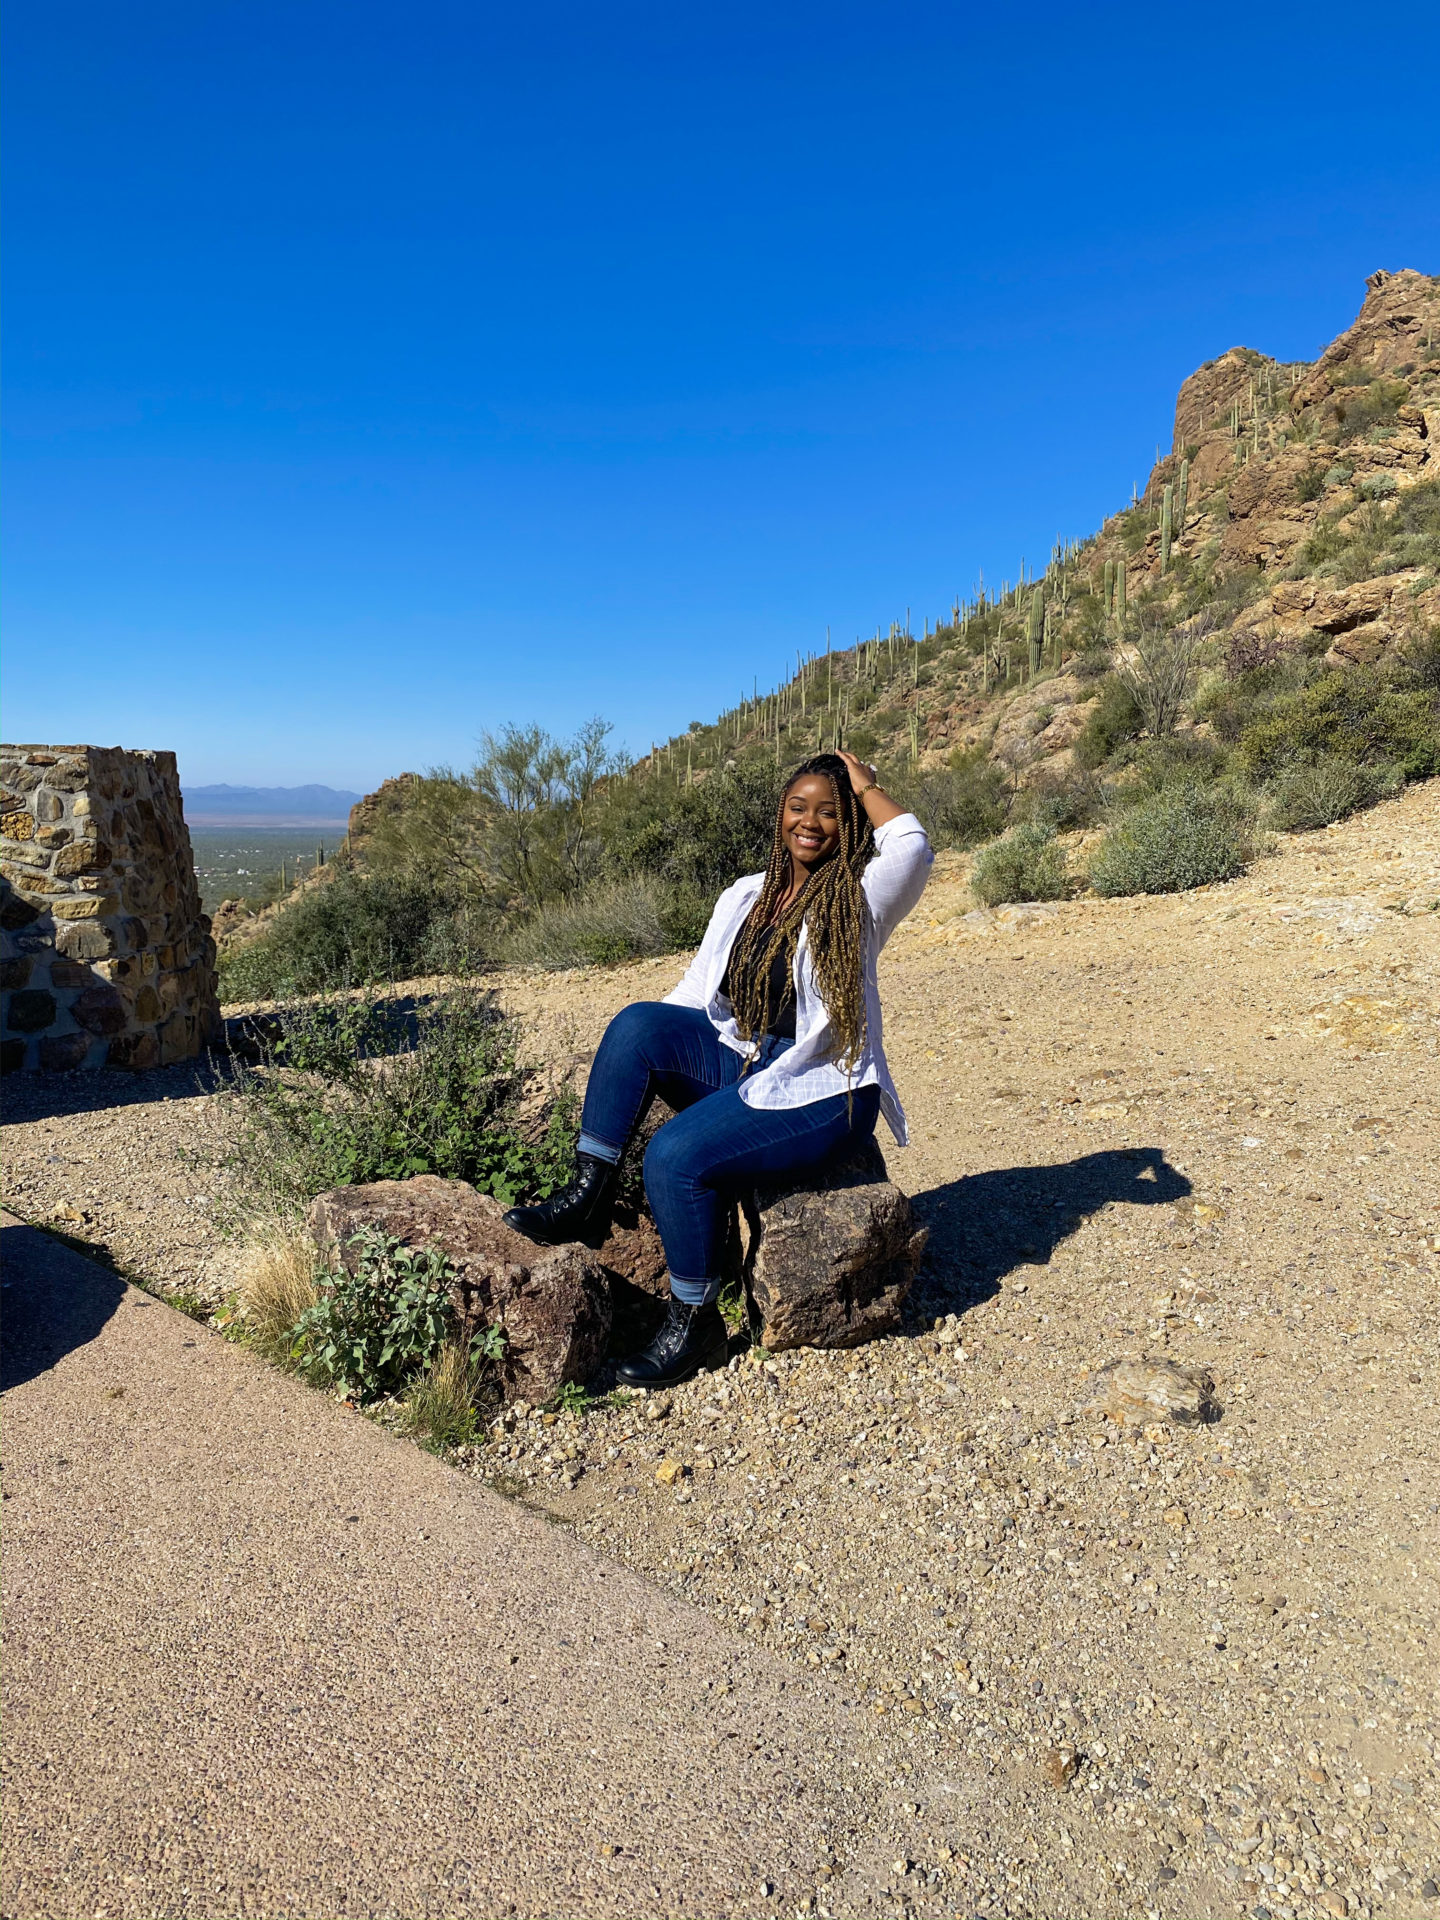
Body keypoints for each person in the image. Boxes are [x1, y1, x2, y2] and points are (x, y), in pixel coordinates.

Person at [504, 749, 933, 1386]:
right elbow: (695, 990)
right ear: (778, 815)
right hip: (748, 1058)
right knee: (637, 1023)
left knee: (675, 1157)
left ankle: (695, 1319)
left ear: (850, 822)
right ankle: (588, 1196)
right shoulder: (746, 895)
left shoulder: (862, 896)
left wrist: (864, 782)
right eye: (796, 807)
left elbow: (912, 844)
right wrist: (654, 1042)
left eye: (828, 811)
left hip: (826, 1085)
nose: (809, 822)